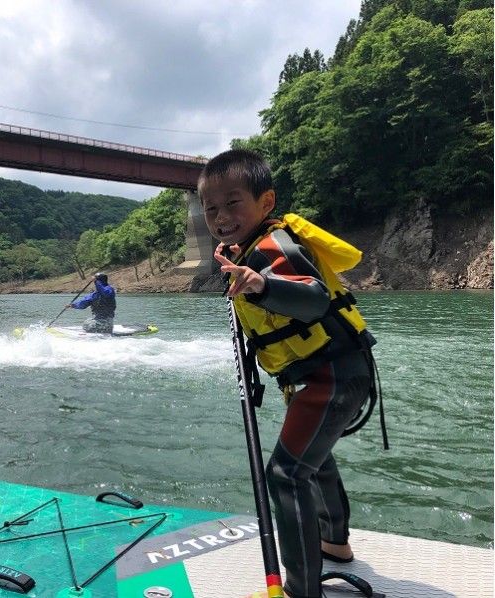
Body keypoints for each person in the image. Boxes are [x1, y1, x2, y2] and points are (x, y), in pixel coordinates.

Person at [199, 149, 377, 598]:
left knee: (285, 473)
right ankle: (334, 543)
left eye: (233, 202)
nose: (220, 216)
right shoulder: (249, 249)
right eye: (211, 208)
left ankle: (299, 592)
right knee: (314, 460)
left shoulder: (272, 248)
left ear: (266, 202)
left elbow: (314, 297)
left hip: (331, 377)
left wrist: (260, 284)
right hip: (334, 373)